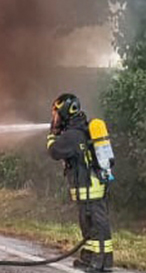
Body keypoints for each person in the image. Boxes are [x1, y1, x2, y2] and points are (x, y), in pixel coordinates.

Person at [47, 93, 114, 272]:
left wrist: (52, 133)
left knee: (98, 225)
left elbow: (54, 151)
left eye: (56, 114)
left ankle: (103, 263)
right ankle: (90, 257)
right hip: (89, 187)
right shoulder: (79, 130)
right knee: (88, 225)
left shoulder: (72, 135)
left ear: (66, 112)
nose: (55, 118)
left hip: (91, 187)